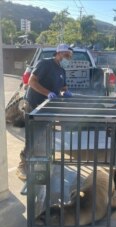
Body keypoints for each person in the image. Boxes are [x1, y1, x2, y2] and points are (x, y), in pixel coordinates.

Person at [16, 43, 73, 180]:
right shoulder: (45, 64)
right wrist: (48, 93)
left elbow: (63, 88)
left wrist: (65, 92)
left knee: (44, 134)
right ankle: (23, 165)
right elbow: (32, 81)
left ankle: (42, 160)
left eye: (70, 57)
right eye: (67, 56)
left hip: (47, 107)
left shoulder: (62, 71)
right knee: (33, 136)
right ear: (59, 53)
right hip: (34, 105)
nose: (68, 59)